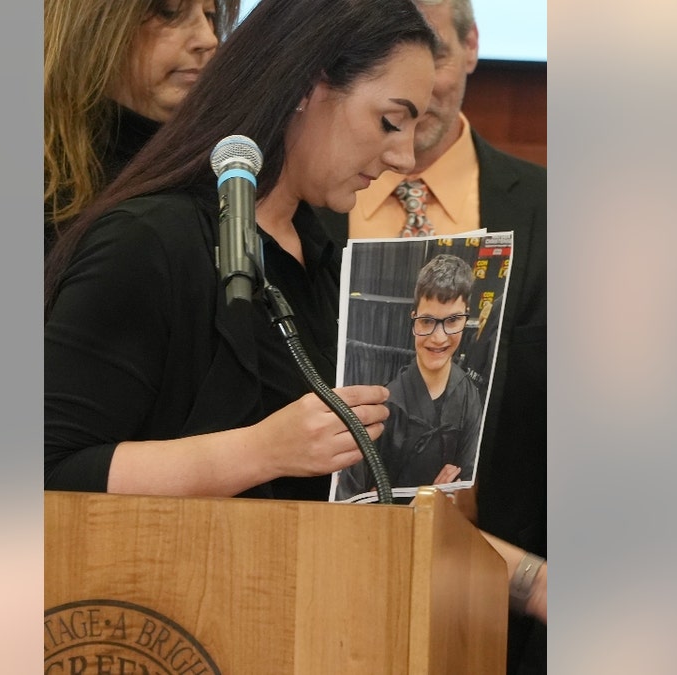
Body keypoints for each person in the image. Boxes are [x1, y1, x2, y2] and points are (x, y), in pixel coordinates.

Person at [44, 0, 438, 500]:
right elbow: (48, 467)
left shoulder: (322, 261)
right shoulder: (147, 242)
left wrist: (525, 573)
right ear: (304, 88)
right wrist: (261, 451)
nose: (404, 158)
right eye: (389, 121)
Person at [315, 0, 547, 672]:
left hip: (505, 610)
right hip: (317, 575)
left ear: (473, 46)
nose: (414, 92)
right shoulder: (301, 205)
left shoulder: (552, 210)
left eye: (432, 51)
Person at [44, 0, 240, 252]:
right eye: (169, 13)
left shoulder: (228, 164)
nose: (208, 39)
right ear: (90, 28)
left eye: (210, 15)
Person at [335, 254, 484, 500]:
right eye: (427, 321)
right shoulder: (383, 408)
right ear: (413, 316)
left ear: (466, 315)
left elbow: (466, 484)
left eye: (453, 320)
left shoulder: (469, 396)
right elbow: (353, 502)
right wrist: (425, 502)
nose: (439, 338)